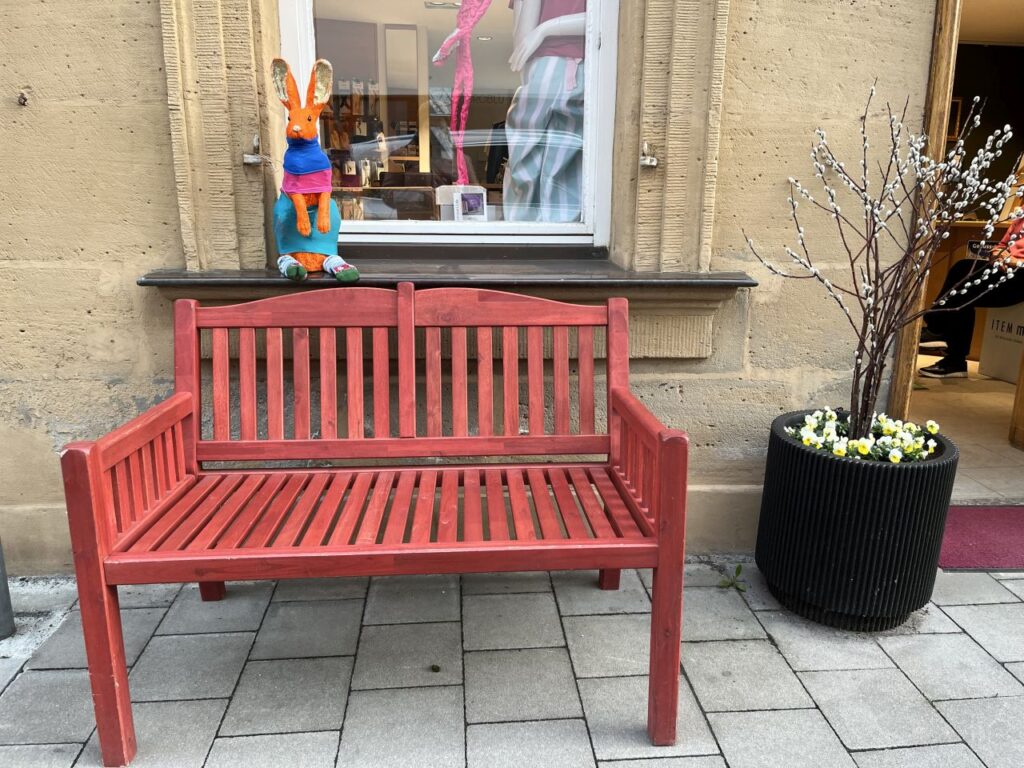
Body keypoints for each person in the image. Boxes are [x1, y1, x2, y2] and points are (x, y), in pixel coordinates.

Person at [920, 215, 1024, 378]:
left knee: (964, 288)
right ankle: (948, 349)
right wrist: (997, 255)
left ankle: (939, 333)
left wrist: (1013, 261)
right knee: (962, 269)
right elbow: (1001, 246)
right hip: (1004, 269)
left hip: (1020, 275)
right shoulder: (1021, 215)